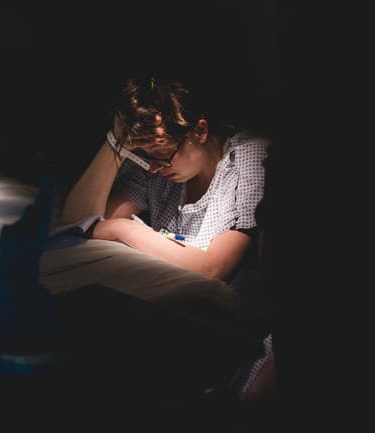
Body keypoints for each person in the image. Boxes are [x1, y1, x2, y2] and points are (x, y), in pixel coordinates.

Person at [60, 75, 274, 400]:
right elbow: (77, 224)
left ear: (200, 131)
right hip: (182, 323)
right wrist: (115, 145)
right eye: (144, 155)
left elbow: (212, 268)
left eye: (162, 153)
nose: (155, 166)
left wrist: (124, 229)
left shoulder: (248, 159)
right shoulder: (156, 165)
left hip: (240, 334)